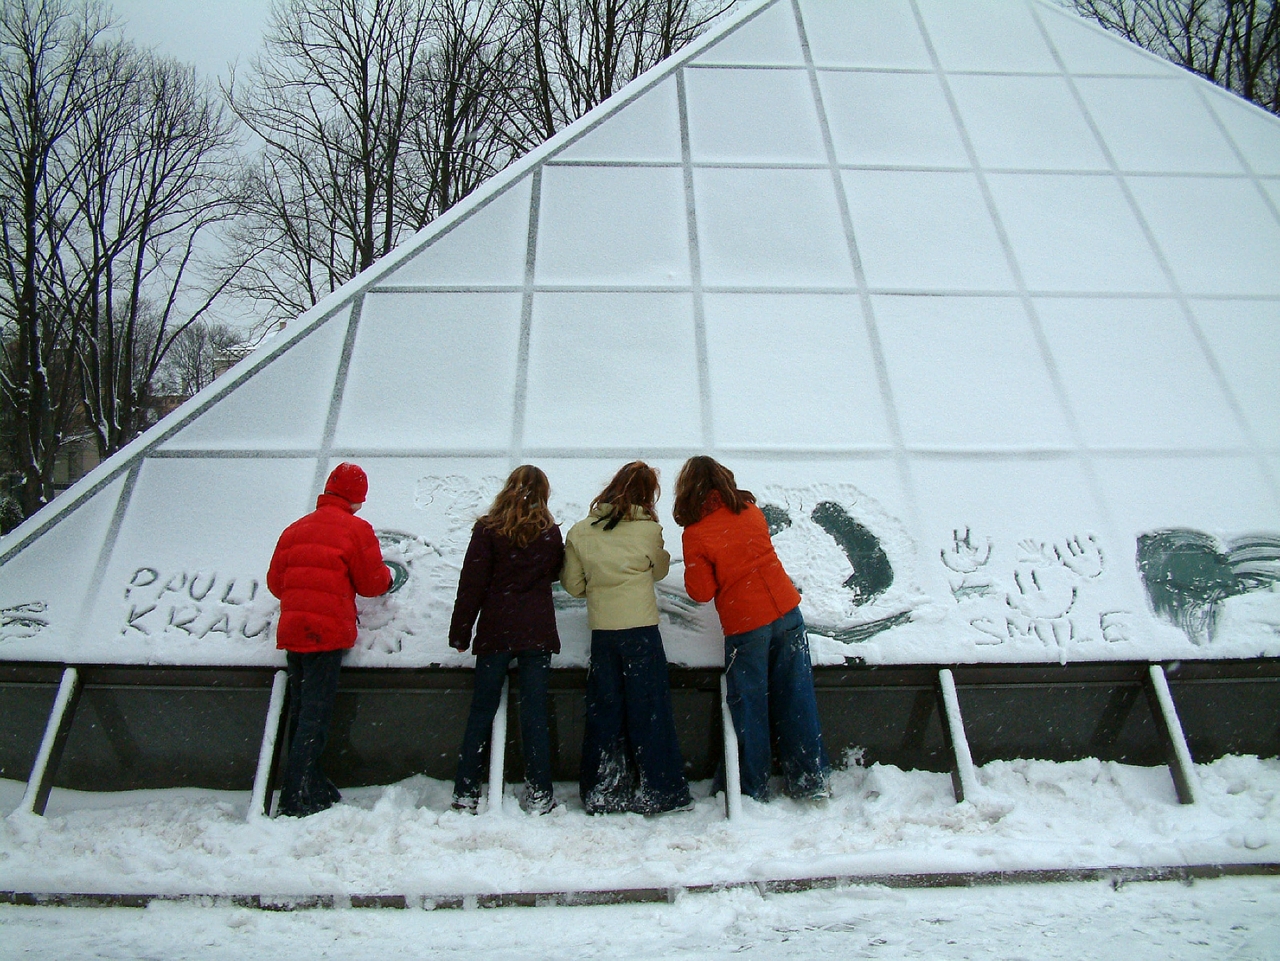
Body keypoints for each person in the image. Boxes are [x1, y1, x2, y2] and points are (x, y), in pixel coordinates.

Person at [673, 456, 830, 803]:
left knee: (750, 707)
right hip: (788, 612)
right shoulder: (749, 510)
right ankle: (809, 780)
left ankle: (748, 788)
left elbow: (700, 592)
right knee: (797, 698)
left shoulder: (696, 533)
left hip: (747, 625)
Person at [561, 461, 693, 816]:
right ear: (647, 495)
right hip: (642, 633)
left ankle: (603, 791)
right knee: (650, 710)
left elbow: (573, 585)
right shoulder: (648, 530)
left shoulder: (580, 531)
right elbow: (661, 569)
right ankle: (661, 789)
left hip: (604, 634)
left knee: (604, 711)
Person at [267, 462, 392, 817]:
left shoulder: (295, 529)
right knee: (315, 718)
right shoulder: (355, 529)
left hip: (294, 631)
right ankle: (295, 798)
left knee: (303, 710)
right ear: (357, 498)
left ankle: (315, 788)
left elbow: (276, 584)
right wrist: (387, 581)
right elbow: (371, 583)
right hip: (326, 634)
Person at [449, 465, 565, 816]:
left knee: (481, 712)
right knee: (534, 714)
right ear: (543, 494)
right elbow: (556, 574)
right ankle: (540, 793)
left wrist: (460, 631)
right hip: (536, 632)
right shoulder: (549, 533)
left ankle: (467, 792)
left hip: (496, 630)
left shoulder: (488, 530)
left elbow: (472, 584)